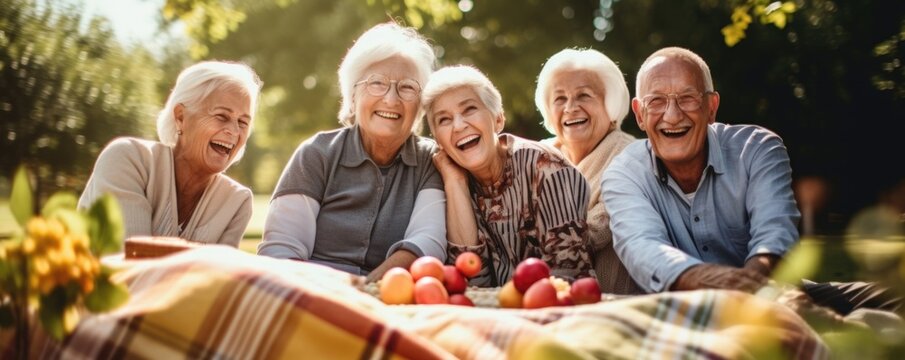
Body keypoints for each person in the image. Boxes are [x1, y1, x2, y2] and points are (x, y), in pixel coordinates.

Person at [602, 47, 901, 315]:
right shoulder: (624, 173)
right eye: (657, 102)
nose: (672, 114)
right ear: (640, 115)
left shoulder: (757, 148)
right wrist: (724, 286)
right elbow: (644, 248)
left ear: (711, 107)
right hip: (686, 305)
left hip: (773, 288)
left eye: (687, 98)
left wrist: (754, 287)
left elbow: (775, 232)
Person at [257, 22, 446, 281]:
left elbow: (426, 244)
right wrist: (335, 294)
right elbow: (281, 250)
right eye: (377, 83)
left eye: (407, 87)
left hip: (389, 296)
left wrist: (367, 289)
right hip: (313, 292)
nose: (391, 99)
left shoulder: (432, 159)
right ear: (353, 95)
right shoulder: (317, 153)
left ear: (421, 106)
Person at [423, 65, 594, 287]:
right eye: (444, 120)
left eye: (469, 109)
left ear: (498, 120)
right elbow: (470, 282)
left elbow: (569, 278)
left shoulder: (547, 169)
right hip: (489, 313)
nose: (458, 125)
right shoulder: (448, 178)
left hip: (549, 311)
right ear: (438, 141)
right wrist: (455, 182)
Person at [78, 61, 262, 247]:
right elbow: (131, 258)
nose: (234, 131)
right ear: (181, 117)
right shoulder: (126, 158)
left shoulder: (237, 202)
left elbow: (221, 276)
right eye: (222, 116)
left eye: (243, 122)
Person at [535, 48, 643, 295]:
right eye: (559, 98)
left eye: (584, 95)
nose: (570, 107)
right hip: (546, 298)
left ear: (611, 106)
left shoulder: (633, 158)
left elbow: (591, 235)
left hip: (611, 303)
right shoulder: (538, 154)